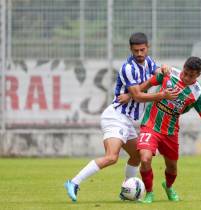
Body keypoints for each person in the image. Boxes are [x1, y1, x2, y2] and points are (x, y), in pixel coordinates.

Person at [64, 32, 179, 202]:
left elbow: (157, 73)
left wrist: (164, 68)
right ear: (130, 49)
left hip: (128, 122)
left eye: (142, 50)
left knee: (137, 156)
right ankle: (73, 182)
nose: (139, 54)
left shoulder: (148, 62)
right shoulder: (128, 68)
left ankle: (126, 191)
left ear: (147, 47)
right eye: (136, 51)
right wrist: (161, 95)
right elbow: (139, 95)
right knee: (112, 157)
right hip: (116, 117)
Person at [133, 56, 201, 204]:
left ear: (198, 75)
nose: (187, 77)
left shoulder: (197, 94)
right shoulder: (168, 74)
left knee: (172, 168)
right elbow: (145, 86)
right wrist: (131, 94)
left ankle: (168, 187)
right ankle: (149, 193)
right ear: (183, 67)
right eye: (185, 72)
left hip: (170, 132)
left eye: (192, 75)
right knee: (145, 158)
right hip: (150, 125)